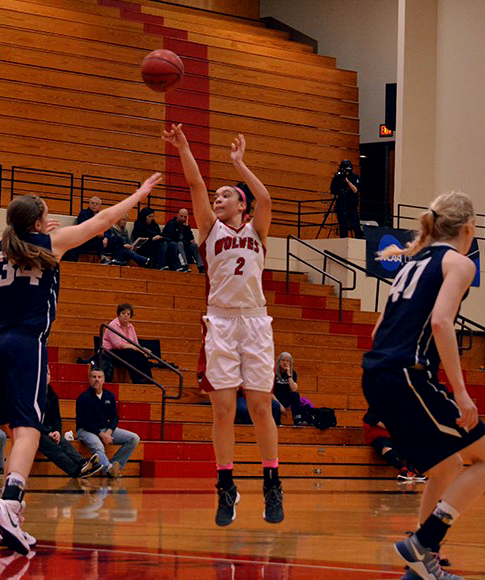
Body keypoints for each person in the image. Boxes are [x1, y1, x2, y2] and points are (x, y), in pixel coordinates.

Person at [0, 173, 160, 554]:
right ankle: (10, 501)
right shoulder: (51, 243)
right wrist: (139, 193)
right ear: (40, 223)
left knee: (14, 430)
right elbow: (103, 221)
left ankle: (9, 511)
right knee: (30, 429)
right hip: (25, 344)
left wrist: (36, 231)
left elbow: (5, 254)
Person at [361, 191, 485, 579]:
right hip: (406, 373)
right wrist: (461, 393)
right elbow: (442, 322)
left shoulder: (412, 263)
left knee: (447, 466)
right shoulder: (458, 263)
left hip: (378, 374)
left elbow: (379, 328)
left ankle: (422, 567)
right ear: (470, 229)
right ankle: (423, 542)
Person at [162, 123, 282, 526]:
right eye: (219, 195)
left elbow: (265, 197)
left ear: (241, 205)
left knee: (262, 406)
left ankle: (271, 481)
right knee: (224, 410)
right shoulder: (211, 229)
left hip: (254, 322)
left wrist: (239, 165)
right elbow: (195, 185)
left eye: (227, 194)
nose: (219, 196)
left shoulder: (257, 230)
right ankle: (226, 485)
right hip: (221, 323)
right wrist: (183, 146)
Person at [76, 368, 140, 479]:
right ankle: (109, 470)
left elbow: (114, 417)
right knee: (98, 446)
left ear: (103, 380)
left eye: (99, 377)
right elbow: (85, 422)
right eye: (94, 377)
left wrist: (109, 433)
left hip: (105, 429)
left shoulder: (109, 396)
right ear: (89, 380)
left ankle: (115, 466)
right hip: (85, 430)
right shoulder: (83, 398)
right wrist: (102, 435)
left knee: (134, 438)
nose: (96, 379)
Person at [39, 383, 103, 479]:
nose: (46, 376)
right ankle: (76, 471)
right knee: (52, 446)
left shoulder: (52, 394)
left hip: (49, 429)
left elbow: (56, 417)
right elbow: (30, 419)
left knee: (63, 441)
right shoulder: (31, 393)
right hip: (34, 430)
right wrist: (46, 432)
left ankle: (83, 463)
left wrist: (57, 431)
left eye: (48, 373)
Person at [362, 408, 425, 483]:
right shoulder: (375, 409)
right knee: (386, 446)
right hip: (380, 436)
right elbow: (370, 418)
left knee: (413, 443)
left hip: (395, 437)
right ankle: (403, 470)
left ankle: (412, 470)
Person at [100, 303, 154, 384]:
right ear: (118, 314)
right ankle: (136, 380)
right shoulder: (113, 325)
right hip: (110, 353)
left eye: (128, 314)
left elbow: (136, 344)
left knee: (141, 355)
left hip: (125, 351)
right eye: (123, 313)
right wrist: (137, 348)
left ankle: (148, 379)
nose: (126, 316)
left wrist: (143, 350)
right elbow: (118, 345)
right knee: (130, 352)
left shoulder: (131, 327)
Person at [63, 196, 106, 262]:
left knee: (115, 240)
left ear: (99, 206)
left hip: (94, 241)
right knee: (72, 248)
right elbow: (85, 226)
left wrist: (106, 237)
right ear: (89, 204)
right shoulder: (83, 213)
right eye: (92, 203)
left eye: (96, 204)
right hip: (83, 240)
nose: (94, 205)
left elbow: (108, 228)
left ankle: (104, 258)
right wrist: (98, 231)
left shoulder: (101, 216)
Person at [272, 352, 308, 426]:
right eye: (283, 360)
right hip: (275, 398)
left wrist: (289, 375)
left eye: (288, 361)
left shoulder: (292, 373)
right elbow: (270, 392)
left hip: (286, 398)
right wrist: (280, 405)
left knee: (295, 395)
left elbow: (294, 389)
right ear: (278, 362)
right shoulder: (273, 373)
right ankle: (277, 423)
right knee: (275, 404)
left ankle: (297, 420)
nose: (285, 363)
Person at [330, 160, 363, 239]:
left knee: (356, 226)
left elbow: (355, 190)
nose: (346, 172)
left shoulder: (354, 177)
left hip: (352, 206)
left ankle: (358, 240)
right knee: (343, 226)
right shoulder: (338, 178)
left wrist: (347, 182)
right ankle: (344, 241)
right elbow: (333, 190)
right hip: (341, 205)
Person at [162, 208, 201, 273]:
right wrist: (187, 242)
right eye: (181, 216)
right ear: (177, 215)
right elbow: (175, 238)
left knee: (194, 245)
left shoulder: (185, 226)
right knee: (180, 243)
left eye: (185, 217)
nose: (183, 218)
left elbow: (191, 238)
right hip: (174, 247)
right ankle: (183, 265)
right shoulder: (171, 224)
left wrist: (187, 227)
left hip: (184, 247)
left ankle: (201, 266)